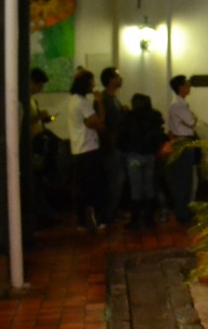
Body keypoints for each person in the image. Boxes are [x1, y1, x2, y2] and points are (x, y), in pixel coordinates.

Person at [118, 93, 167, 230]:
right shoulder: (154, 116)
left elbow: (121, 137)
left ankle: (135, 221)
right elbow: (159, 134)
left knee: (135, 188)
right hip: (149, 155)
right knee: (149, 187)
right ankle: (149, 219)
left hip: (133, 156)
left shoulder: (129, 117)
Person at [68, 69, 106, 231]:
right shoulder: (82, 102)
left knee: (81, 188)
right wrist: (99, 102)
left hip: (77, 148)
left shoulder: (72, 100)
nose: (94, 85)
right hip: (88, 148)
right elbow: (98, 123)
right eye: (91, 82)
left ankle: (81, 222)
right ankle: (95, 220)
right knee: (94, 187)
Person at [29, 67, 60, 227]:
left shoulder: (34, 101)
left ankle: (45, 214)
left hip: (40, 143)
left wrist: (52, 118)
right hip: (33, 145)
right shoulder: (25, 100)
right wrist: (38, 117)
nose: (40, 89)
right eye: (39, 85)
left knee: (40, 182)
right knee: (36, 182)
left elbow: (42, 121)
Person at [167, 74, 197, 224]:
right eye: (186, 84)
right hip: (183, 142)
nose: (189, 87)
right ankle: (182, 211)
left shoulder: (180, 104)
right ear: (180, 87)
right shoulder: (178, 105)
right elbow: (192, 122)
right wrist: (193, 118)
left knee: (185, 178)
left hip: (183, 141)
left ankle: (184, 209)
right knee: (183, 178)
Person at [98, 67, 127, 225]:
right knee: (114, 180)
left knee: (118, 180)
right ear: (110, 80)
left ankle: (114, 211)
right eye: (118, 76)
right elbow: (102, 125)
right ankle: (109, 213)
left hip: (117, 144)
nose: (121, 79)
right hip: (110, 147)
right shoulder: (103, 100)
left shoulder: (114, 98)